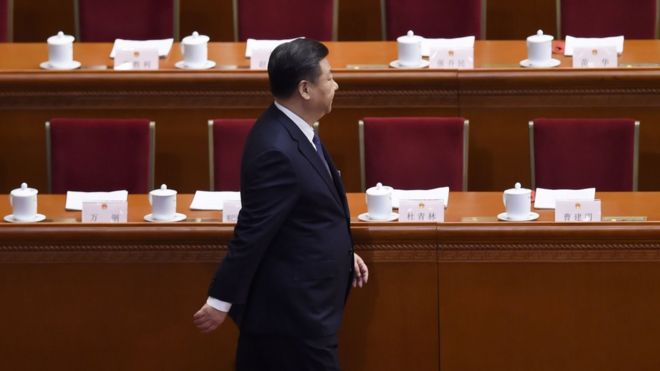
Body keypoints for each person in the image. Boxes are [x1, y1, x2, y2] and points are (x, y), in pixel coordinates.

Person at [193, 38, 369, 370]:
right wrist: (220, 300)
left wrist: (344, 250)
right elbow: (253, 231)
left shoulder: (297, 129)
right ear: (305, 89)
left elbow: (307, 211)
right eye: (329, 78)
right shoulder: (276, 148)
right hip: (294, 318)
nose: (336, 84)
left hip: (299, 312)